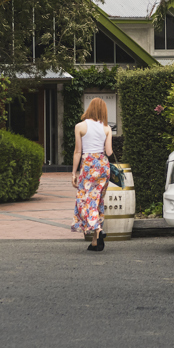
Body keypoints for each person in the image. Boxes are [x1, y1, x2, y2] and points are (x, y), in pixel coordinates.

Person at [71, 98, 114, 251]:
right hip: (103, 164)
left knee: (86, 199)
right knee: (97, 201)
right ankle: (96, 242)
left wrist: (74, 173)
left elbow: (77, 151)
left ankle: (98, 230)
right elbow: (109, 152)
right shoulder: (107, 128)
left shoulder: (80, 126)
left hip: (88, 165)